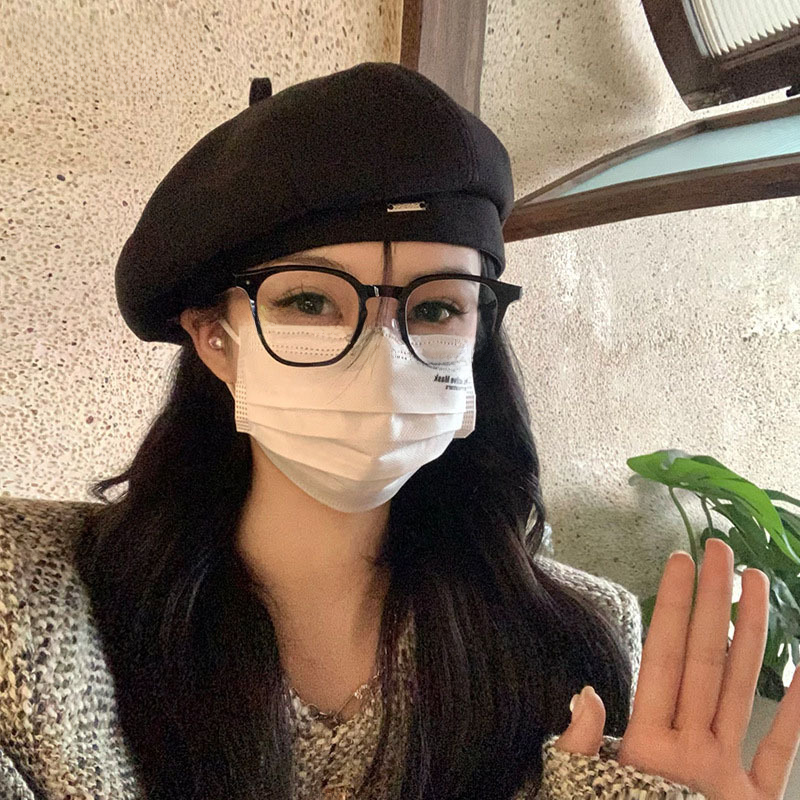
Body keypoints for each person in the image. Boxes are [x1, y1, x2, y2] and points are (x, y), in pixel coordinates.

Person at [8, 61, 794, 800]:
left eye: (437, 308)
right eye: (310, 302)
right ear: (216, 338)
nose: (383, 367)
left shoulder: (576, 646)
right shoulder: (25, 607)